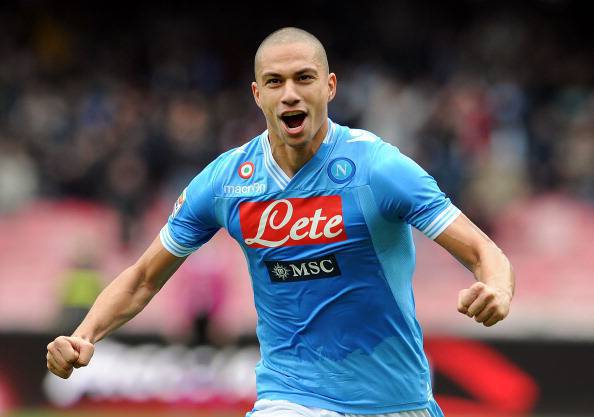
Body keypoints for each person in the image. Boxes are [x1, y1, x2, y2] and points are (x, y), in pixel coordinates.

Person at [46, 27, 514, 417]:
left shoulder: (378, 169)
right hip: (291, 396)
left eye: (304, 78)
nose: (290, 93)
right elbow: (144, 277)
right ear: (258, 94)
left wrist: (496, 288)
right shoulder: (227, 181)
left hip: (398, 400)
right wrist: (83, 335)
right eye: (274, 82)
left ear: (329, 86)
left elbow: (483, 251)